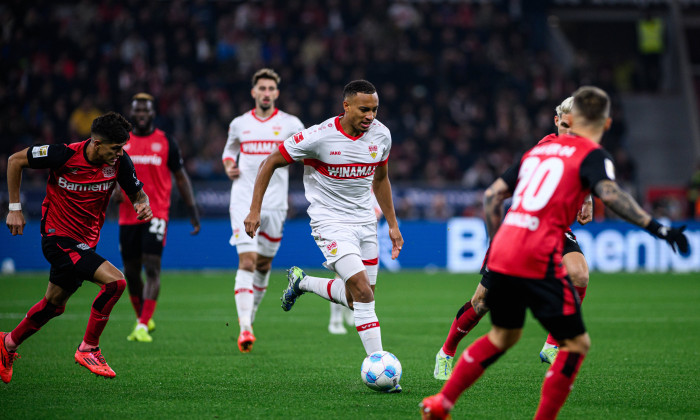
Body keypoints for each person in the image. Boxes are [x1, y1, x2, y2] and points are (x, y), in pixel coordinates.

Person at [420, 86, 688, 419]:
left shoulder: (538, 153)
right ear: (605, 124)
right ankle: (451, 352)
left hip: (519, 237)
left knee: (513, 327)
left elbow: (492, 196)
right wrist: (658, 228)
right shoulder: (591, 153)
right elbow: (614, 195)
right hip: (539, 243)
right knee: (560, 336)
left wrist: (496, 243)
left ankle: (443, 401)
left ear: (573, 120)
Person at [243, 80, 404, 391]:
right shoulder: (318, 137)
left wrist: (393, 225)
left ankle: (302, 282)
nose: (370, 116)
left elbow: (381, 179)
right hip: (330, 223)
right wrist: (254, 210)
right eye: (363, 109)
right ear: (345, 106)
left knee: (358, 298)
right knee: (363, 293)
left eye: (374, 109)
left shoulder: (381, 135)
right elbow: (270, 162)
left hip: (365, 224)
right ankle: (381, 368)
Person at [433, 97, 593, 381]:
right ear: (556, 122)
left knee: (579, 274)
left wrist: (588, 197)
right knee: (482, 303)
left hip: (554, 230)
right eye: (566, 126)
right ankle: (446, 352)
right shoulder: (543, 151)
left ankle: (553, 344)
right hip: (520, 230)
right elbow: (499, 192)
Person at [1, 112, 152, 383]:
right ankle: (89, 348)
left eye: (122, 148)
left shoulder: (118, 162)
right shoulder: (62, 154)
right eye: (115, 148)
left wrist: (142, 204)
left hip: (84, 242)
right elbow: (15, 161)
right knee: (116, 283)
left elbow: (137, 193)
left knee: (53, 305)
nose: (120, 153)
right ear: (96, 144)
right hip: (57, 238)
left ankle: (7, 344)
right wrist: (14, 209)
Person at [222, 68, 304, 353]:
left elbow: (309, 152)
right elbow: (229, 150)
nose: (266, 93)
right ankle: (245, 327)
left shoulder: (291, 124)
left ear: (276, 93)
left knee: (264, 265)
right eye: (262, 88)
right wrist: (228, 164)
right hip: (243, 201)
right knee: (247, 261)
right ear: (254, 92)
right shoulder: (239, 124)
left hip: (276, 205)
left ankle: (250, 319)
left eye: (271, 89)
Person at [118, 93, 201, 343]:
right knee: (131, 272)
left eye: (146, 111)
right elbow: (111, 173)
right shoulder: (122, 142)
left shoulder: (166, 141)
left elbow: (181, 177)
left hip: (157, 213)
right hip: (127, 215)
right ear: (132, 114)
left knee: (152, 266)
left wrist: (192, 210)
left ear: (153, 113)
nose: (142, 115)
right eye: (137, 111)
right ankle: (144, 317)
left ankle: (142, 325)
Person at [328, 191, 383, 335]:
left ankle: (351, 312)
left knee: (362, 279)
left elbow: (379, 207)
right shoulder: (350, 180)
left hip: (367, 235)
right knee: (341, 275)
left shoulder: (372, 184)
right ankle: (335, 320)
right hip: (346, 233)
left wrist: (373, 215)